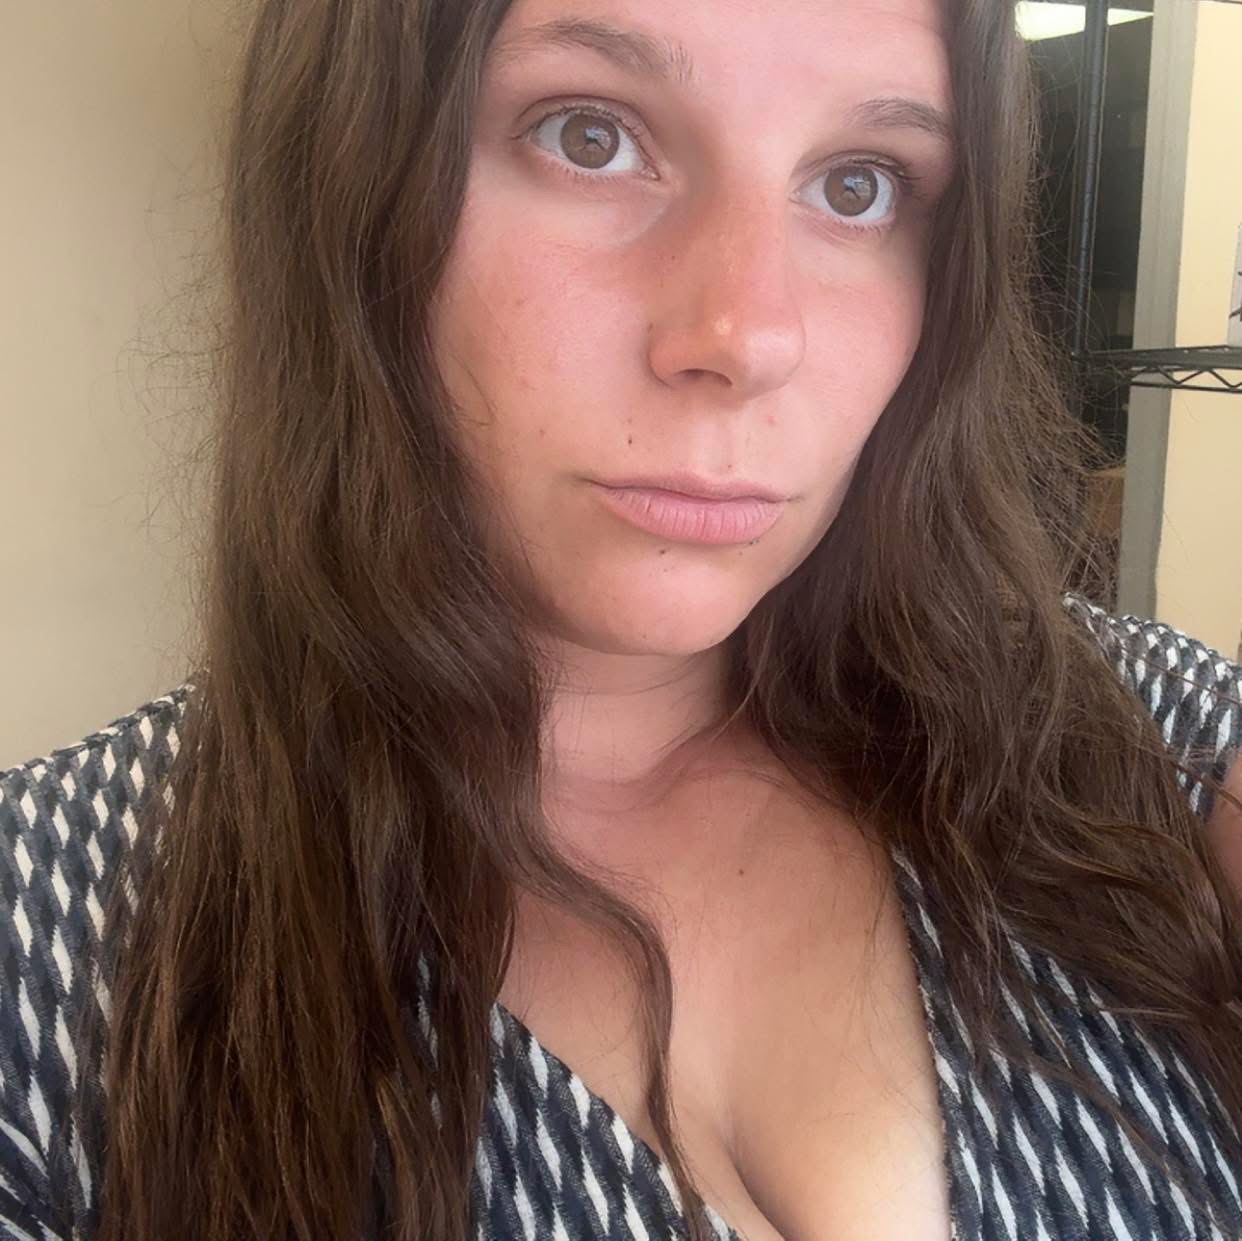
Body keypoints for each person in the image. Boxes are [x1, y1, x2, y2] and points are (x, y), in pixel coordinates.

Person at [1, 0, 1239, 1237]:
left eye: (859, 185)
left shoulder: (1161, 748)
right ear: (349, 187)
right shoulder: (41, 935)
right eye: (588, 136)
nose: (747, 336)